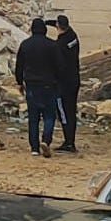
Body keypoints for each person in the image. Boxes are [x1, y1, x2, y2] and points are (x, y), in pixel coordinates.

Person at [15, 17, 64, 158]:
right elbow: (60, 66)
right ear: (44, 30)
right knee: (49, 116)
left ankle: (34, 148)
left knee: (33, 117)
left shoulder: (25, 45)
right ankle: (46, 141)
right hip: (49, 85)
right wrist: (58, 82)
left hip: (31, 86)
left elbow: (19, 66)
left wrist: (19, 82)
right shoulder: (52, 45)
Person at [53, 15, 81, 153]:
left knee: (63, 112)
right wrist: (51, 23)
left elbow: (58, 65)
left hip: (64, 83)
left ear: (58, 26)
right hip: (74, 79)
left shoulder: (59, 44)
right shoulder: (72, 36)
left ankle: (68, 142)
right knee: (71, 111)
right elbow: (63, 27)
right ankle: (71, 140)